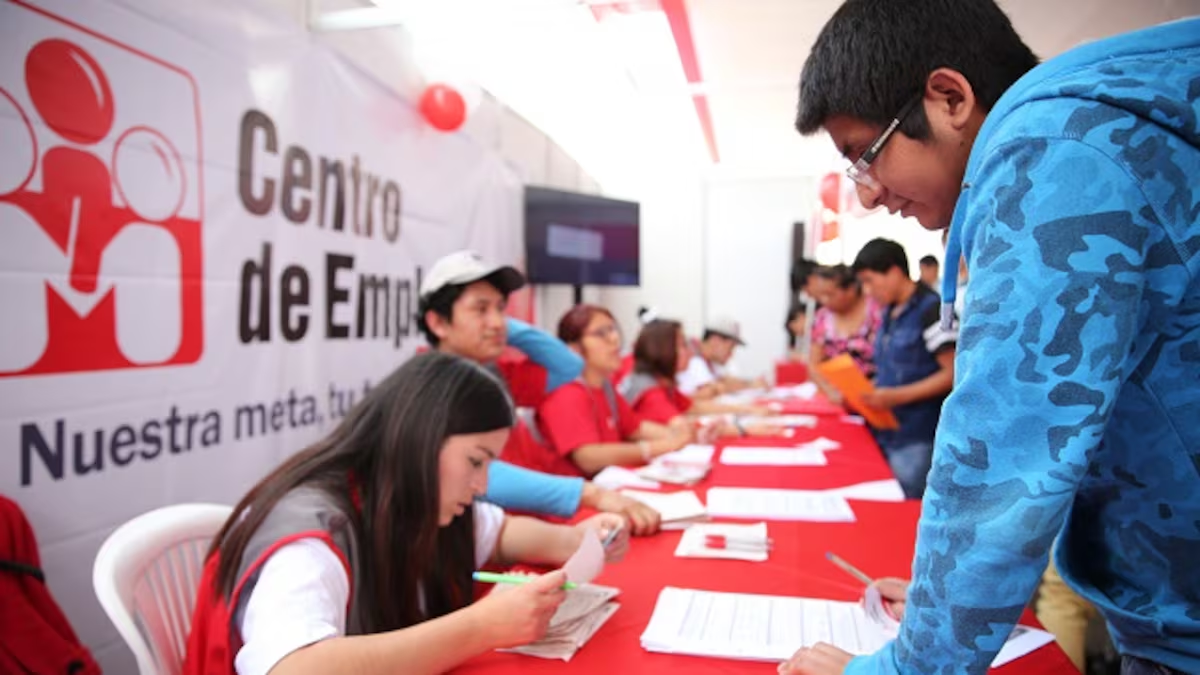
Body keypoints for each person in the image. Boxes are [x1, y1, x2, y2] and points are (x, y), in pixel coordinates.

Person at [782, 1, 1200, 674]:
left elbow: (1004, 445)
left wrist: (906, 666)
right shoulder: (1088, 130)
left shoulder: (1049, 153)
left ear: (949, 98)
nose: (868, 195)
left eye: (866, 156)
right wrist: (941, 604)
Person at [182, 353, 629, 675]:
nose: (482, 485)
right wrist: (482, 625)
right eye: (476, 461)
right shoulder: (312, 535)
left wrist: (583, 540)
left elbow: (503, 532)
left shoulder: (409, 500)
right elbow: (294, 667)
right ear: (419, 439)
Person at [417, 250, 661, 534]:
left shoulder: (493, 373)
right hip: (492, 541)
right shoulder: (429, 385)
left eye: (500, 309)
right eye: (481, 309)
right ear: (438, 322)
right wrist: (587, 494)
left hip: (533, 524)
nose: (497, 322)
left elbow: (569, 366)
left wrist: (496, 328)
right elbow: (470, 473)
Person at [520, 304, 693, 477]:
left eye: (613, 330)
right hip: (571, 498)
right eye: (601, 333)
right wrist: (660, 446)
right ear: (573, 348)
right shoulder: (566, 390)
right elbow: (588, 457)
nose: (614, 339)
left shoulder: (604, 387)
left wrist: (679, 435)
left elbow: (635, 428)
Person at [851, 239, 955, 499]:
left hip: (918, 436)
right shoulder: (889, 313)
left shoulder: (933, 311)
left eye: (869, 280)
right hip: (887, 431)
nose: (867, 290)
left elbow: (954, 374)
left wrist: (896, 396)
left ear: (894, 271)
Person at [619, 319, 774, 436]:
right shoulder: (649, 390)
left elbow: (692, 406)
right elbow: (683, 428)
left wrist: (747, 410)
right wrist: (743, 429)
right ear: (664, 351)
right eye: (683, 345)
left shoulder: (661, 381)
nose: (690, 353)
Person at [805, 264, 883, 404]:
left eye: (830, 294)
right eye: (821, 295)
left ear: (851, 290)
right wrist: (830, 391)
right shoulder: (822, 318)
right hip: (838, 399)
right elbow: (814, 364)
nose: (824, 300)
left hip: (877, 396)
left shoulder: (877, 313)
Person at [676, 317, 766, 397]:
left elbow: (725, 380)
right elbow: (711, 390)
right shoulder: (692, 359)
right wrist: (750, 385)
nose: (731, 354)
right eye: (730, 348)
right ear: (715, 341)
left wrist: (750, 383)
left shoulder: (709, 359)